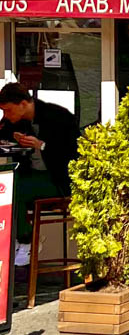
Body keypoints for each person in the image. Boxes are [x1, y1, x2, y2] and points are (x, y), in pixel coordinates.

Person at [0, 83, 79, 269]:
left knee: (12, 186)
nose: (6, 115)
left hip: (59, 181)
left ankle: (26, 240)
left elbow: (74, 153)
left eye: (8, 110)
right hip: (32, 176)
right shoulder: (17, 122)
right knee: (8, 180)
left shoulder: (57, 116)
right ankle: (20, 236)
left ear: (23, 104)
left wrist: (41, 145)